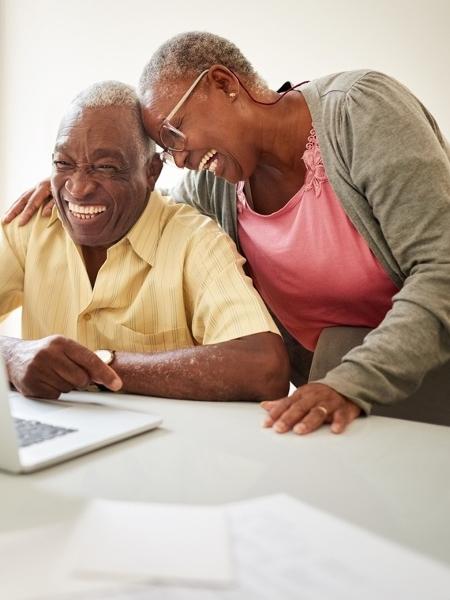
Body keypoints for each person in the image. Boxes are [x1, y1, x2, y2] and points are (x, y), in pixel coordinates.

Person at [5, 32, 450, 435]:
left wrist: (352, 382)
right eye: (166, 146)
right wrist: (75, 182)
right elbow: (146, 205)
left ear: (224, 84)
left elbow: (441, 269)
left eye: (176, 131)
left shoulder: (360, 109)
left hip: (424, 364)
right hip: (335, 376)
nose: (178, 158)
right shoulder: (212, 184)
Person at [0, 80, 290, 402]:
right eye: (63, 164)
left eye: (106, 167)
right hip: (53, 445)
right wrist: (11, 353)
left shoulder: (196, 242)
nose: (78, 188)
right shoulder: (31, 225)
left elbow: (263, 367)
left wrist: (99, 365)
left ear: (152, 173)